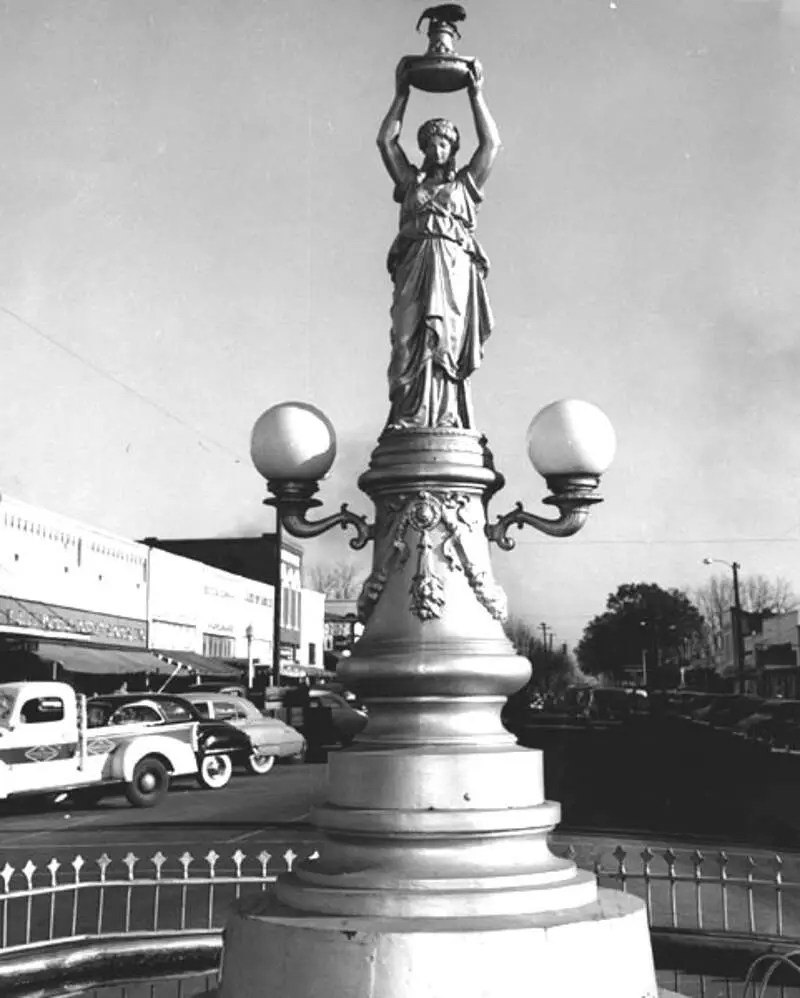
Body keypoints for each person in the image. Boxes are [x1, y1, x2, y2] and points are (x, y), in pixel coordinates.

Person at [376, 56, 501, 430]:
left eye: (444, 143)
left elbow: (492, 144)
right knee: (406, 340)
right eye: (430, 143)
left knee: (444, 341)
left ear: (453, 149)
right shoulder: (410, 184)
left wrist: (476, 95)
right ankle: (407, 416)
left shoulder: (464, 186)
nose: (437, 149)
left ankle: (446, 418)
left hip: (451, 266)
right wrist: (401, 95)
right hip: (414, 265)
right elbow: (385, 141)